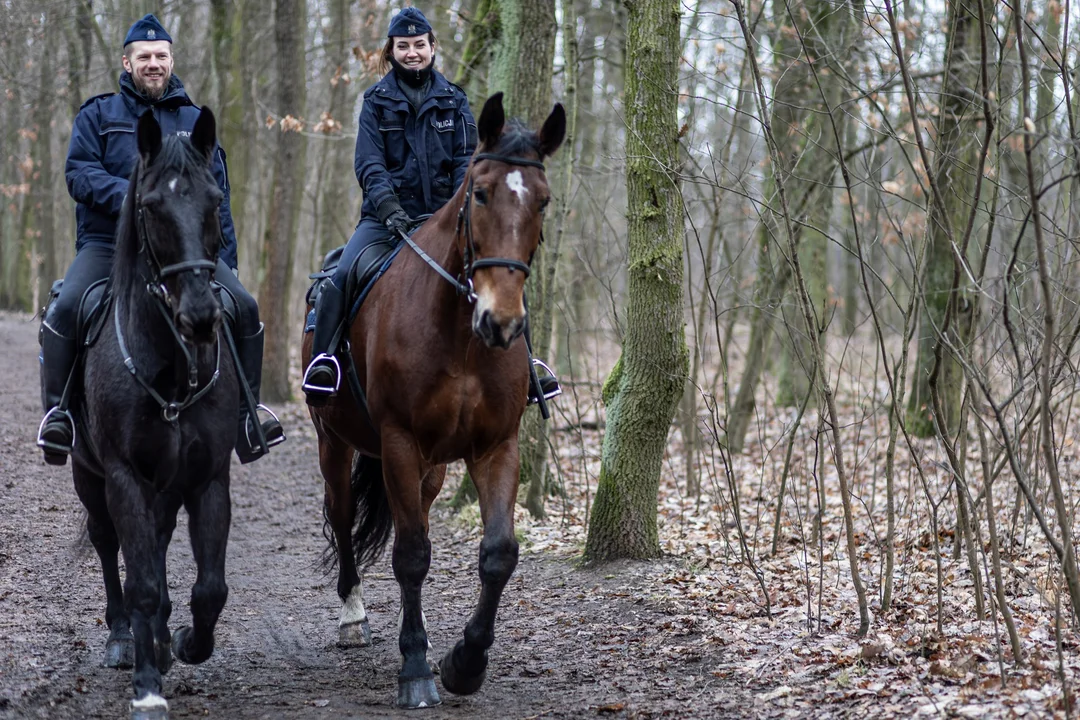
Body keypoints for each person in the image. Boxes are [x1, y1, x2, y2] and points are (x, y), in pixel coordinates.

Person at [38, 13, 284, 465]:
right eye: (145, 57)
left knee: (244, 306)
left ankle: (249, 415)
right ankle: (58, 415)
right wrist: (135, 197)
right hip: (107, 245)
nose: (154, 63)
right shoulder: (98, 114)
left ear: (172, 61)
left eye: (162, 56)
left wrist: (223, 262)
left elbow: (217, 198)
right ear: (127, 64)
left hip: (187, 253)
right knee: (68, 306)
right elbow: (78, 174)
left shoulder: (194, 120)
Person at [302, 7, 561, 406]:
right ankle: (325, 362)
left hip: (446, 218)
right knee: (344, 271)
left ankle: (529, 366)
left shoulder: (455, 101)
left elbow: (467, 162)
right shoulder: (375, 101)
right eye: (403, 46)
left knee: (501, 269)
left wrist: (452, 207)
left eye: (419, 45)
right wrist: (388, 206)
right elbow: (369, 163)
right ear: (391, 52)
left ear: (432, 47)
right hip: (386, 221)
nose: (412, 53)